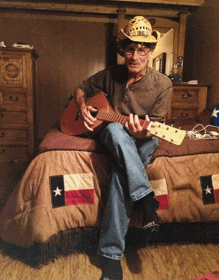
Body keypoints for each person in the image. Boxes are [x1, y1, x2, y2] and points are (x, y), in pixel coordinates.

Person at [74, 16, 172, 280]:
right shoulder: (110, 75)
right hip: (116, 136)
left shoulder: (163, 84)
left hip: (145, 138)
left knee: (120, 176)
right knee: (116, 129)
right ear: (123, 51)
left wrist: (142, 132)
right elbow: (81, 88)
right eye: (130, 48)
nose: (135, 55)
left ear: (150, 53)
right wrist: (83, 106)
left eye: (142, 49)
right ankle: (145, 199)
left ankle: (110, 258)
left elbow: (157, 127)